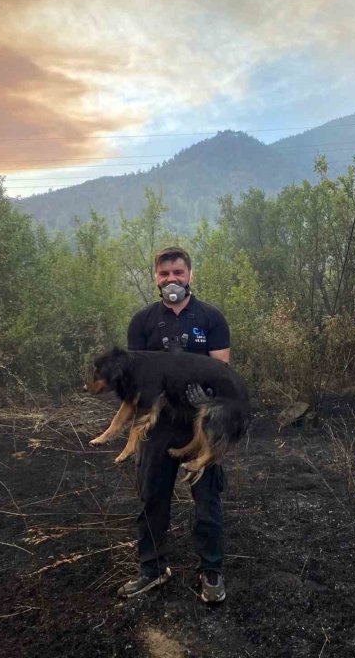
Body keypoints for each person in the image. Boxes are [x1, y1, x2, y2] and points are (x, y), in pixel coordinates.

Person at [116, 246, 232, 604]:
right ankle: (151, 569)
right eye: (164, 275)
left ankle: (211, 570)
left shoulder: (211, 318)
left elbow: (222, 373)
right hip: (158, 426)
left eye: (178, 273)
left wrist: (206, 396)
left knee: (207, 502)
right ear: (156, 278)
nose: (172, 281)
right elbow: (134, 379)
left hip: (201, 427)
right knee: (153, 498)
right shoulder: (143, 321)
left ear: (190, 275)